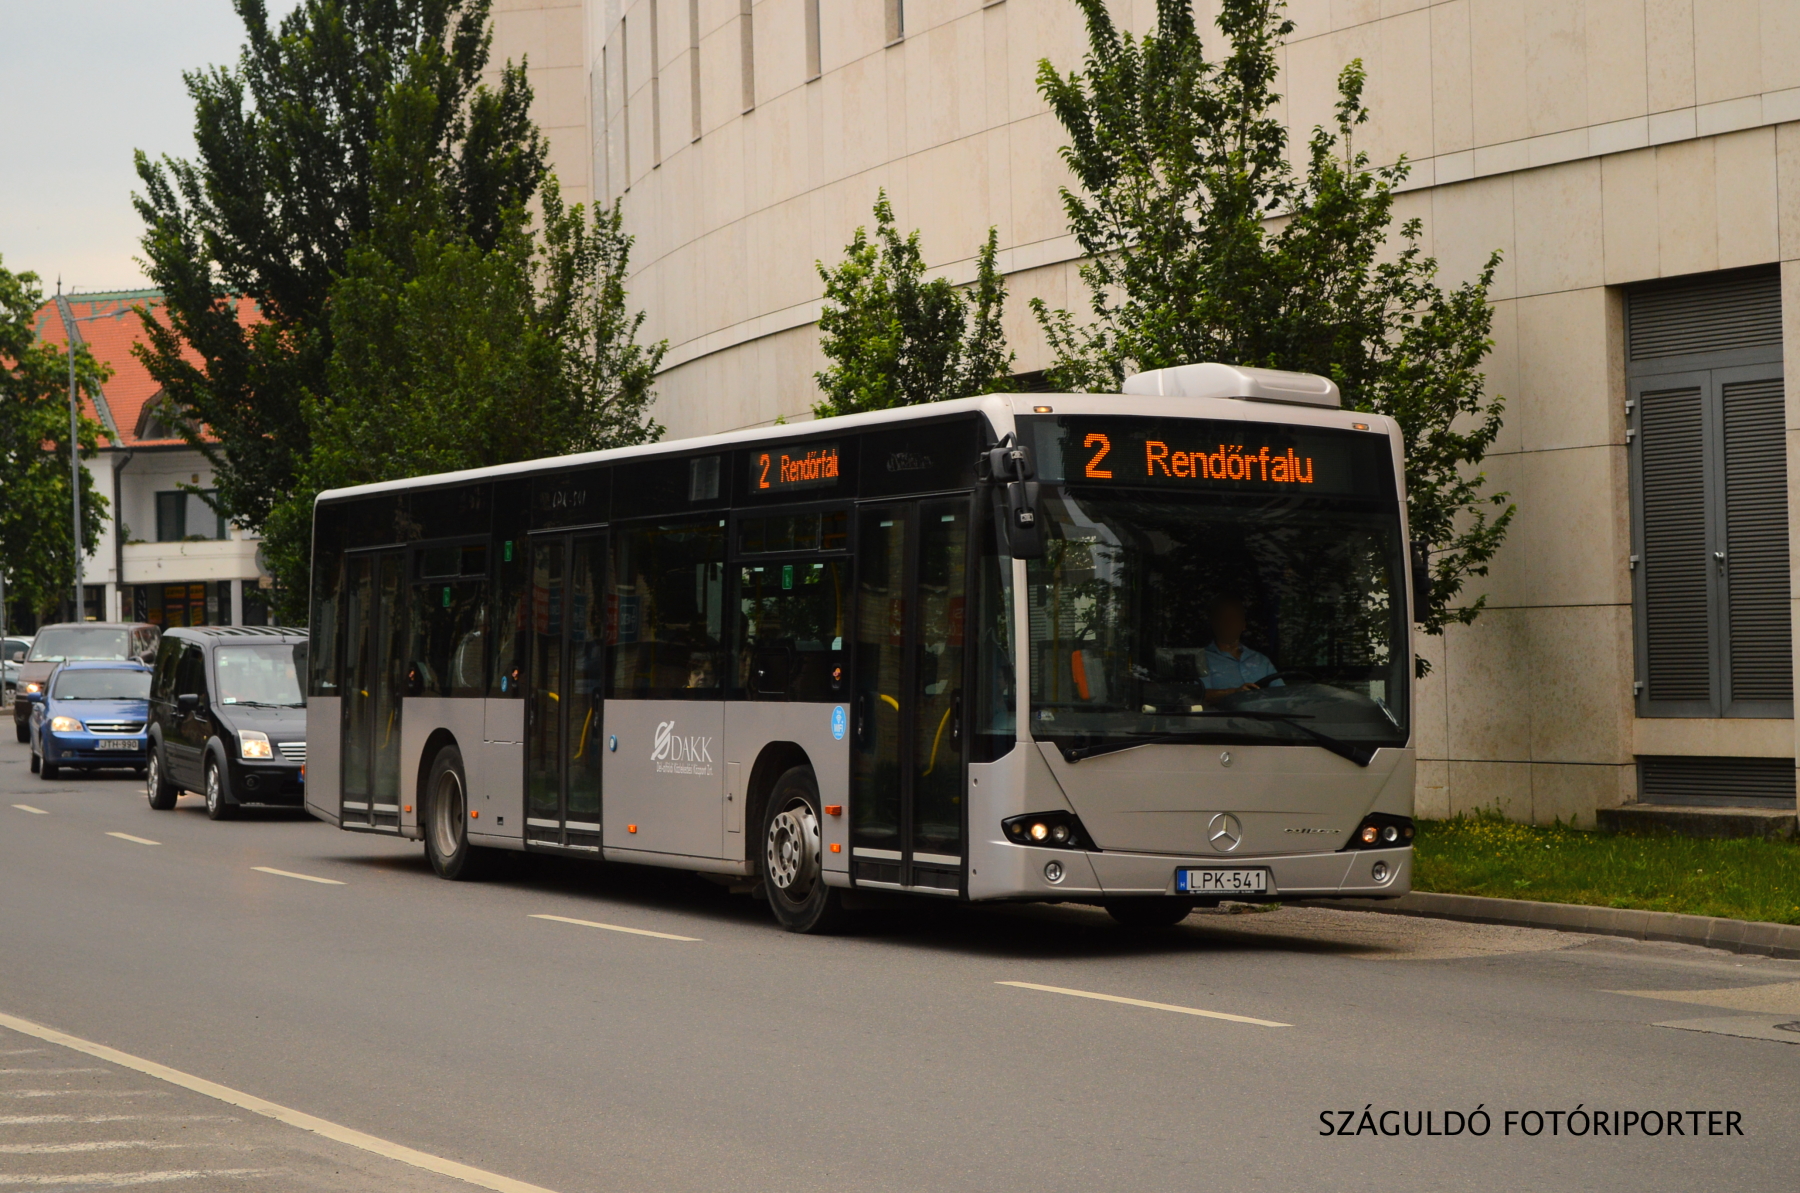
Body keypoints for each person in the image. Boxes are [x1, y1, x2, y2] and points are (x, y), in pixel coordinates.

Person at [1202, 595, 1280, 703]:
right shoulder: (1202, 659)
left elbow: (1282, 693)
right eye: (1223, 618)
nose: (1229, 624)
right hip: (1220, 719)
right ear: (1214, 623)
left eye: (1234, 618)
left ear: (1243, 625)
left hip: (1266, 718)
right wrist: (1235, 693)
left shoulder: (1261, 661)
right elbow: (1199, 695)